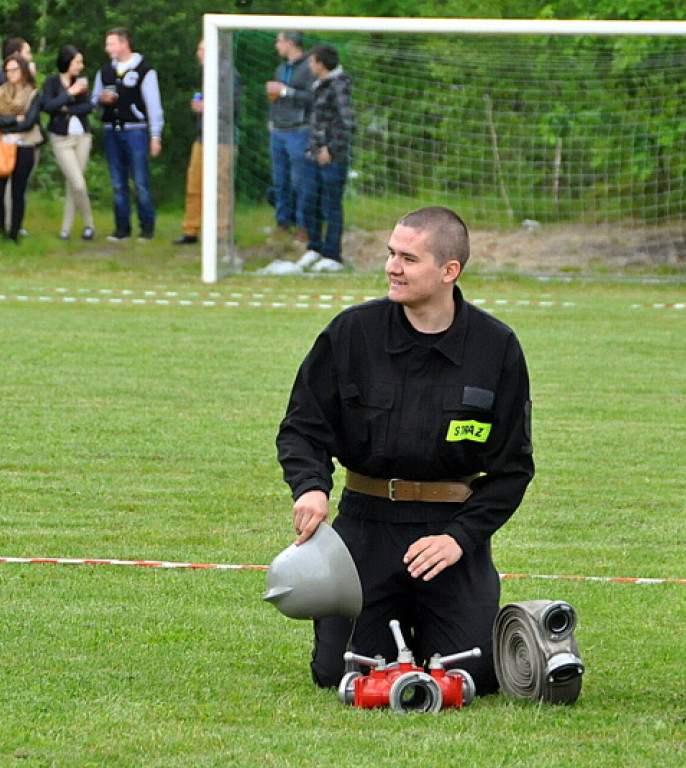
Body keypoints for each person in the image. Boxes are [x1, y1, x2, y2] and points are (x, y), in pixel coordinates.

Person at [276, 206, 535, 695]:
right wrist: (310, 487)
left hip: (448, 538)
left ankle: (445, 618)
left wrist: (460, 538)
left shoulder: (495, 347)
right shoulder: (352, 334)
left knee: (474, 676)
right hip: (364, 529)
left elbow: (513, 469)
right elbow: (302, 428)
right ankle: (397, 628)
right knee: (342, 674)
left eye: (408, 258)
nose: (392, 267)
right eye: (391, 254)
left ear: (448, 271)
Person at [93, 27, 163, 242]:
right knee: (117, 182)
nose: (107, 49)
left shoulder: (144, 70)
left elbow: (153, 105)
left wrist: (155, 135)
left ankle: (147, 227)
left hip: (136, 131)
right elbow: (94, 100)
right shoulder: (104, 72)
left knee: (140, 181)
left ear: (124, 44)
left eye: (111, 44)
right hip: (112, 131)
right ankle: (122, 228)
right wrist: (100, 100)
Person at [297, 44, 355, 273]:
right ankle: (314, 248)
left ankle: (333, 254)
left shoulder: (340, 86)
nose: (310, 66)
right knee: (310, 200)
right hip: (313, 154)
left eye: (312, 62)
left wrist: (330, 149)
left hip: (333, 158)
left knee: (331, 205)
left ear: (320, 64)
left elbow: (347, 122)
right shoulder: (318, 84)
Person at [174, 39, 238, 246]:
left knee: (221, 186)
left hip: (223, 140)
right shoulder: (206, 74)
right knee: (194, 184)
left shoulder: (229, 74)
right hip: (203, 137)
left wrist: (207, 107)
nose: (198, 53)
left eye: (202, 49)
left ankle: (222, 231)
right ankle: (191, 230)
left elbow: (233, 109)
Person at [0, 54, 43, 242]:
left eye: (14, 70)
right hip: (0, 145)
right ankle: (0, 231)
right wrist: (13, 119)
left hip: (24, 145)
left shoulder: (34, 93)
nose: (10, 74)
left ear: (24, 70)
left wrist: (6, 123)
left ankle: (14, 233)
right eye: (7, 70)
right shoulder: (0, 92)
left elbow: (29, 122)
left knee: (18, 191)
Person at [42, 44, 95, 240]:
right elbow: (48, 106)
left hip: (82, 137)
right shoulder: (51, 82)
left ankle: (66, 229)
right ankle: (89, 222)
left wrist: (66, 109)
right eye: (77, 61)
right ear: (67, 62)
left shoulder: (81, 82)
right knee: (78, 183)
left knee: (73, 183)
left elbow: (88, 107)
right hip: (61, 139)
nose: (81, 66)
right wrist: (70, 94)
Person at [265, 31, 313, 241]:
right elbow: (276, 98)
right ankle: (283, 223)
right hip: (278, 130)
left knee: (300, 181)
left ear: (290, 43)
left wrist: (286, 91)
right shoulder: (280, 68)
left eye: (279, 41)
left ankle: (304, 226)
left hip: (299, 130)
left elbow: (312, 97)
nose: (276, 45)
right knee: (280, 180)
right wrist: (271, 119)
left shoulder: (309, 67)